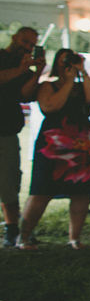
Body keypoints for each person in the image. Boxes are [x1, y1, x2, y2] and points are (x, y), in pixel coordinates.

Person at [17, 49, 90, 250]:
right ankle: (23, 238)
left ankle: (75, 238)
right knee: (41, 190)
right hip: (53, 144)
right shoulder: (47, 85)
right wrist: (66, 82)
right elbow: (50, 107)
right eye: (65, 60)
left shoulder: (81, 85)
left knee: (82, 191)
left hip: (81, 140)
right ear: (57, 63)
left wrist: (82, 73)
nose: (69, 64)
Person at [0, 26, 45, 247]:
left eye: (31, 44)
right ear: (15, 37)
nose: (27, 47)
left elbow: (26, 95)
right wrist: (20, 69)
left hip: (7, 131)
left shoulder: (25, 66)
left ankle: (11, 230)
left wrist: (36, 72)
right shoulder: (2, 56)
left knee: (9, 181)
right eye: (25, 41)